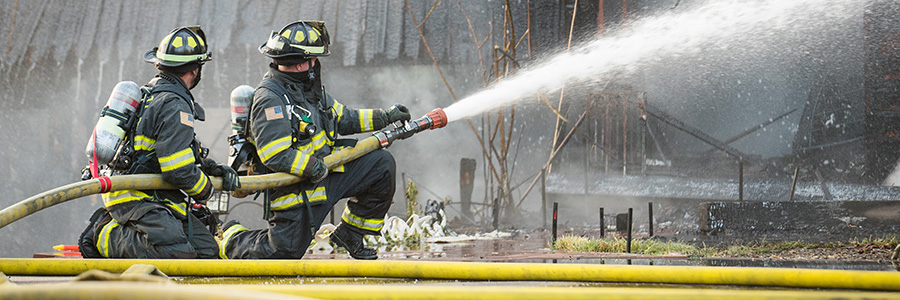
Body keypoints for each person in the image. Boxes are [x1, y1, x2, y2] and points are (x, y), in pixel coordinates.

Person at [218, 20, 410, 260]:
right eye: (315, 59)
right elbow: (274, 154)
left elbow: (343, 118)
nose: (317, 64)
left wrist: (385, 117)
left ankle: (350, 233)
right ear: (303, 62)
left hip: (327, 174)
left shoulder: (309, 90)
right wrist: (311, 167)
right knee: (283, 254)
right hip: (297, 189)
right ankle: (230, 237)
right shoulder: (270, 99)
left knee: (380, 165)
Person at [78, 26, 240, 259]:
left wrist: (210, 168)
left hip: (157, 197)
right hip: (135, 197)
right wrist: (206, 191)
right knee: (176, 255)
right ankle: (103, 233)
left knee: (207, 253)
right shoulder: (174, 103)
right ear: (195, 70)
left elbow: (170, 150)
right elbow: (177, 168)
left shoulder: (153, 95)